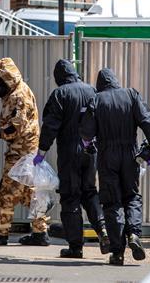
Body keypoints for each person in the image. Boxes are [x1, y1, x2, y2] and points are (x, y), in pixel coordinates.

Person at [79, 68, 150, 265]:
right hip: (130, 154)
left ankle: (117, 252)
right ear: (115, 80)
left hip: (107, 156)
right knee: (132, 196)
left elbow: (86, 134)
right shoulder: (131, 95)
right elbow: (148, 121)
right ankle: (134, 235)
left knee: (112, 202)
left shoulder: (96, 100)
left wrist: (88, 146)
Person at [34, 59, 110, 258]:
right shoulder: (92, 91)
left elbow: (51, 125)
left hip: (69, 152)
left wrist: (41, 152)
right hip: (91, 151)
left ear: (59, 77)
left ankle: (76, 247)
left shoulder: (60, 94)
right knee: (90, 192)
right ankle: (103, 230)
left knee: (70, 197)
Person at [0, 57, 50, 246]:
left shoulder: (18, 96)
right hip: (25, 151)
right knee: (27, 193)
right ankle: (40, 232)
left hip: (20, 153)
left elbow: (15, 128)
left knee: (7, 192)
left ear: (7, 78)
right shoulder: (16, 92)